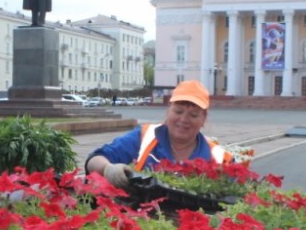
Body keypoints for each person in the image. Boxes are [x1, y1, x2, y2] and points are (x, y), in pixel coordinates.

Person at [84, 80, 233, 188]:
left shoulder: (220, 158)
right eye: (178, 111)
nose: (184, 119)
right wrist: (107, 168)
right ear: (169, 110)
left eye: (193, 115)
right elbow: (94, 159)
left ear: (203, 119)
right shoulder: (144, 137)